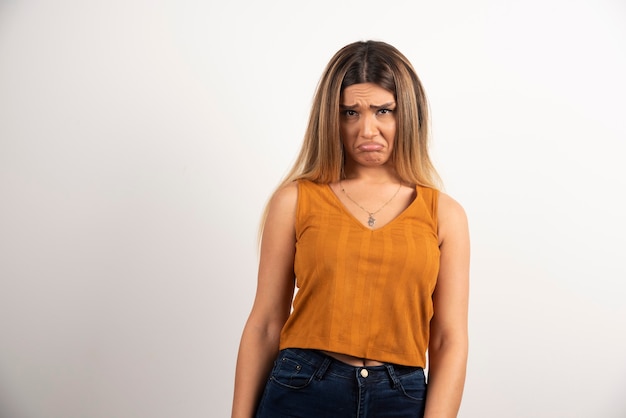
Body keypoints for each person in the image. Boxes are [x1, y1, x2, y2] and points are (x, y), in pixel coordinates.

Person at [231, 40, 470, 418]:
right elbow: (265, 324)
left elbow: (448, 339)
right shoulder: (294, 201)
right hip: (302, 388)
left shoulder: (445, 215)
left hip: (401, 397)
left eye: (383, 111)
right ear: (331, 118)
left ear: (407, 114)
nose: (367, 129)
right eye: (350, 113)